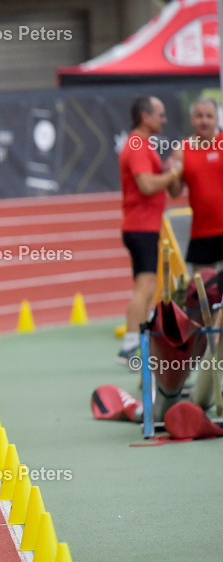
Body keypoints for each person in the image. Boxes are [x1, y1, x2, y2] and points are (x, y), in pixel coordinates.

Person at [117, 96, 182, 365]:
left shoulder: (143, 145)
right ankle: (130, 345)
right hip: (140, 225)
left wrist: (169, 173)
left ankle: (135, 342)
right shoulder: (137, 145)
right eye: (160, 114)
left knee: (146, 285)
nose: (164, 120)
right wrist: (172, 173)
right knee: (144, 286)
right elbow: (145, 185)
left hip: (143, 225)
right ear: (145, 116)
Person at [168, 96, 223, 270]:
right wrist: (172, 175)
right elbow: (175, 193)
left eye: (209, 116)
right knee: (203, 291)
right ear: (192, 119)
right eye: (199, 116)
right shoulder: (182, 150)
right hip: (202, 231)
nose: (204, 121)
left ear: (216, 119)